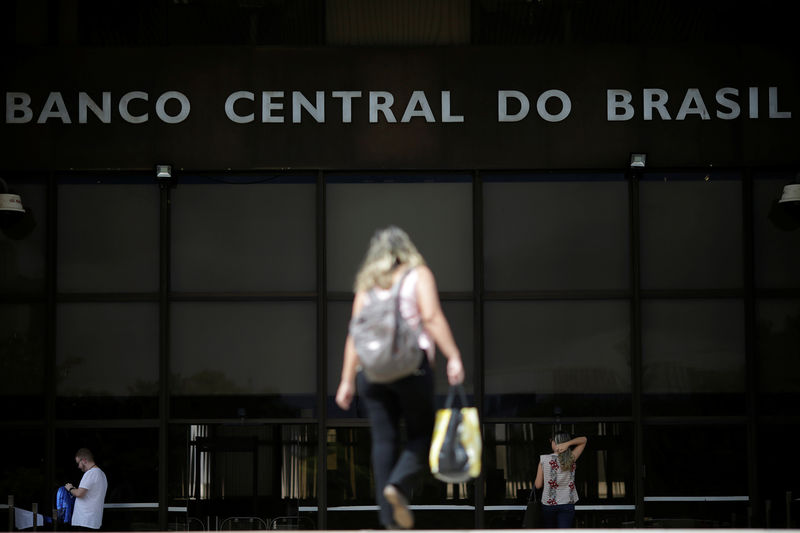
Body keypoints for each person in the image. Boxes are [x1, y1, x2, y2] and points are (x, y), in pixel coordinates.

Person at [336, 226, 465, 529]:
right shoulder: (418, 274)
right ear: (407, 250)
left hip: (373, 373)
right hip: (411, 367)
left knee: (383, 441)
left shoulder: (366, 285)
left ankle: (388, 522)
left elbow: (354, 335)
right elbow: (431, 317)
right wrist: (453, 355)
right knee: (424, 433)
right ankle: (397, 484)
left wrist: (346, 380)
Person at [534, 432, 587, 528]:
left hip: (548, 504)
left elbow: (538, 485)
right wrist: (568, 444)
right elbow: (584, 440)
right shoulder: (572, 457)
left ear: (554, 442)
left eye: (552, 440)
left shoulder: (544, 459)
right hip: (567, 503)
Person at [64, 448, 108, 530]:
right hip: (93, 521)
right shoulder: (102, 474)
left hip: (85, 521)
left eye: (78, 463)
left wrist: (70, 488)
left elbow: (79, 493)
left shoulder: (91, 473)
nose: (78, 466)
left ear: (84, 460)